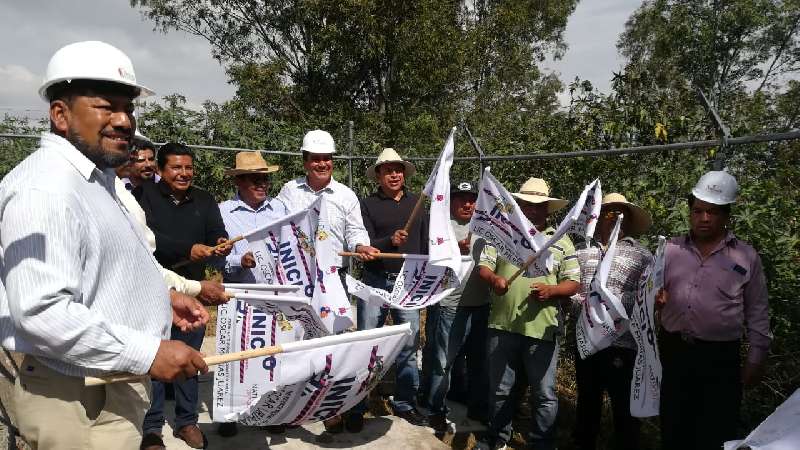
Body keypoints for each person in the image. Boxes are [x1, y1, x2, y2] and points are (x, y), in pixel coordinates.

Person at [0, 40, 208, 450]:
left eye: (128, 108)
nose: (124, 120)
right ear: (60, 114)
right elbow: (43, 313)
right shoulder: (45, 189)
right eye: (105, 106)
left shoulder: (96, 179)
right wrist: (148, 352)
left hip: (100, 381)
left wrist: (159, 296)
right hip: (75, 394)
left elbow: (97, 268)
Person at [656, 170, 771, 450]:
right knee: (674, 427)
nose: (704, 218)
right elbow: (644, 296)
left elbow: (758, 312)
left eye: (713, 212)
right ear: (690, 212)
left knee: (717, 432)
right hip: (674, 353)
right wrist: (653, 298)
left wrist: (756, 359)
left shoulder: (745, 257)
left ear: (726, 215)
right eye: (698, 211)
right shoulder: (669, 250)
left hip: (720, 359)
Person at [134, 142, 233, 449]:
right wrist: (186, 249)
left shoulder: (204, 199)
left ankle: (186, 422)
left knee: (190, 359)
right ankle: (151, 428)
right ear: (161, 170)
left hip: (192, 291)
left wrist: (220, 243)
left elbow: (216, 230)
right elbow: (147, 238)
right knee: (153, 357)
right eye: (176, 167)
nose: (183, 173)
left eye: (188, 167)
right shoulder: (142, 197)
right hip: (153, 289)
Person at [474, 177, 580, 450]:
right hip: (502, 325)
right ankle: (497, 438)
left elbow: (574, 282)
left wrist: (553, 291)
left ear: (548, 209)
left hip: (542, 330)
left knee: (544, 393)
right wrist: (494, 280)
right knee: (500, 389)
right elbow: (483, 266)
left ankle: (541, 443)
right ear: (518, 206)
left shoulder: (561, 241)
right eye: (527, 205)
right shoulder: (501, 233)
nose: (533, 211)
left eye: (539, 206)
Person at [347, 148, 429, 431]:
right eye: (388, 170)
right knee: (368, 345)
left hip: (409, 284)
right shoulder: (366, 205)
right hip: (376, 280)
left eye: (398, 169)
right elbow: (363, 241)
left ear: (404, 173)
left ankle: (405, 403)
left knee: (408, 344)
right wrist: (388, 241)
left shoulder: (418, 202)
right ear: (378, 176)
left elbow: (427, 241)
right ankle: (357, 405)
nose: (394, 174)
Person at [571, 193, 653, 450]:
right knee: (587, 403)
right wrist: (582, 303)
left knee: (623, 409)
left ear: (628, 220)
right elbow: (573, 289)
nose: (615, 218)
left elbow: (645, 297)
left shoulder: (642, 256)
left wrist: (607, 302)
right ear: (597, 216)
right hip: (586, 342)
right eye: (608, 212)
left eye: (621, 213)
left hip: (623, 344)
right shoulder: (581, 251)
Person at [216, 151, 287, 438]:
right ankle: (229, 414)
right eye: (255, 179)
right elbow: (215, 257)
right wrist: (238, 261)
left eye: (265, 179)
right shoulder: (222, 212)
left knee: (270, 355)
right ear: (240, 181)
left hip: (274, 294)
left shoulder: (280, 211)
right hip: (239, 293)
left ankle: (267, 411)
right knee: (235, 355)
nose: (262, 184)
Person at [424, 180, 490, 433]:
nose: (467, 203)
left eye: (471, 199)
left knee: (478, 362)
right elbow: (431, 259)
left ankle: (477, 408)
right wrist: (453, 248)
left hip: (481, 304)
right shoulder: (441, 228)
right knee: (444, 361)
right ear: (451, 201)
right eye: (461, 199)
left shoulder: (484, 228)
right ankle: (435, 409)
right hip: (450, 305)